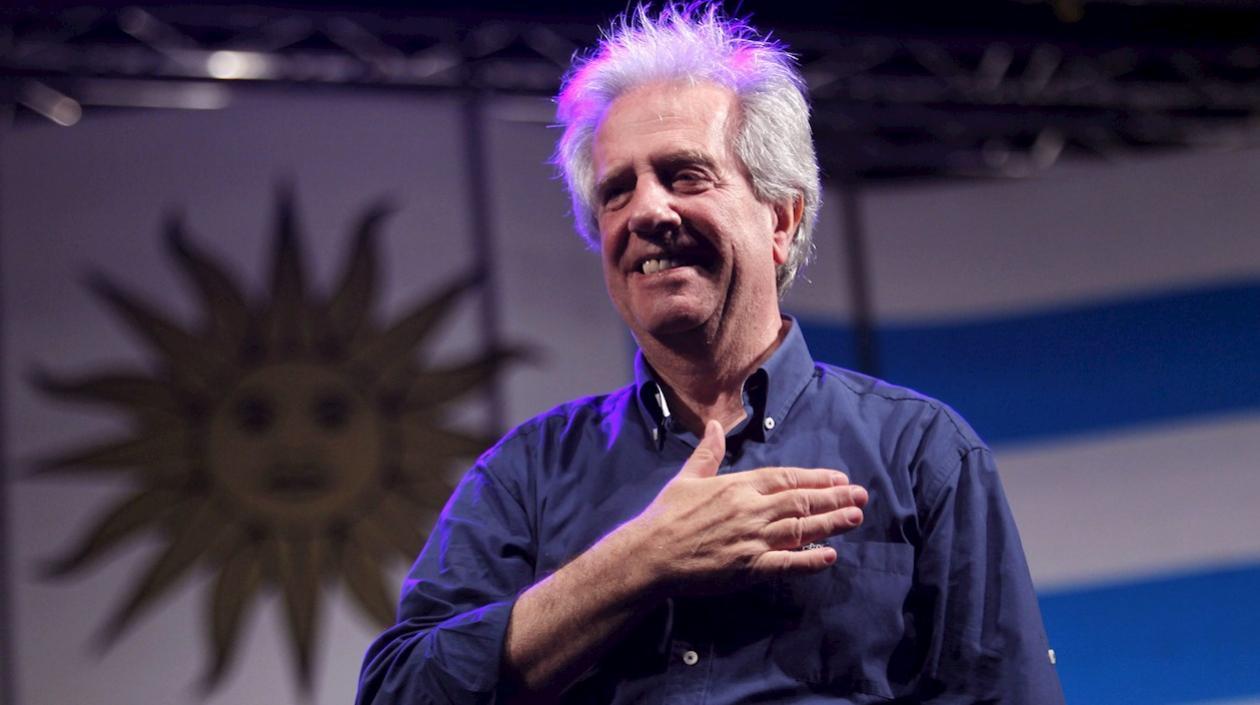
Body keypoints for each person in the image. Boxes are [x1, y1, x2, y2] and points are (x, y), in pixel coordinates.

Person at [357, 5, 1065, 704]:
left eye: (685, 174)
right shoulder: (526, 479)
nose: (646, 211)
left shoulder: (923, 457)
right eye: (616, 190)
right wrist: (639, 561)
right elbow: (397, 691)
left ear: (781, 218)